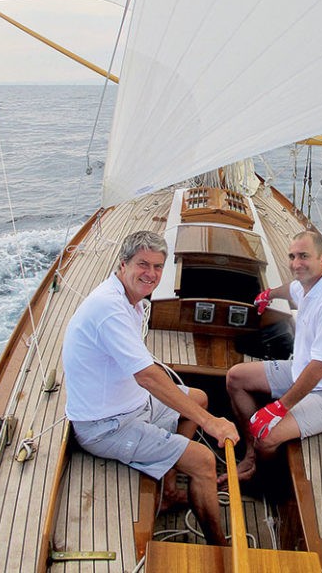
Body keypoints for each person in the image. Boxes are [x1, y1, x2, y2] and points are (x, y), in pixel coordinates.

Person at [62, 230, 239, 546]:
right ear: (123, 263)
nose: (151, 274)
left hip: (134, 405)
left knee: (198, 397)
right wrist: (212, 423)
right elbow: (146, 376)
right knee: (204, 461)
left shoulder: (132, 302)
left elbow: (141, 368)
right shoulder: (109, 309)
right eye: (143, 264)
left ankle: (168, 489)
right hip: (107, 426)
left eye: (158, 267)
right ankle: (220, 547)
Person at [217, 230, 322, 486]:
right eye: (292, 256)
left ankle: (261, 480)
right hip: (301, 371)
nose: (296, 264)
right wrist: (268, 294)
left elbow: (320, 367)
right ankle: (252, 455)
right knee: (236, 377)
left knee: (266, 433)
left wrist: (279, 407)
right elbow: (291, 290)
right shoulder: (307, 285)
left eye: (304, 256)